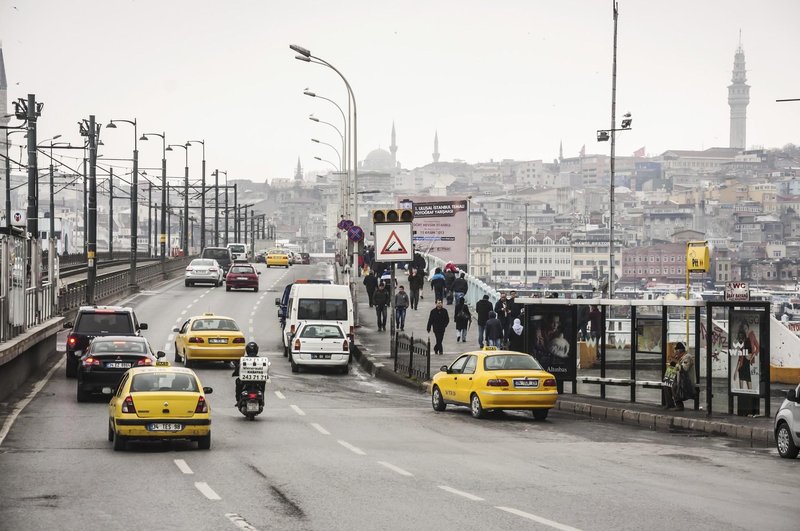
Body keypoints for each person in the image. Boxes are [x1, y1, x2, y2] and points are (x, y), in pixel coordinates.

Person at [663, 342, 695, 411]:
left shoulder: (687, 357)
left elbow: (684, 368)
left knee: (674, 383)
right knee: (667, 381)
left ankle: (679, 405)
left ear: (680, 351)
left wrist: (676, 362)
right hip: (679, 378)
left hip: (686, 380)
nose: (676, 353)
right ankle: (669, 403)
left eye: (676, 351)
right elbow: (673, 368)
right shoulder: (679, 357)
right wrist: (672, 363)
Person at [232, 341, 263, 405]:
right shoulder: (261, 360)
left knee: (238, 381)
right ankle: (262, 400)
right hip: (258, 381)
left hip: (245, 381)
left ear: (247, 350)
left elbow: (238, 369)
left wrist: (235, 373)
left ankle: (238, 399)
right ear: (256, 350)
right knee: (263, 383)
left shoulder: (243, 360)